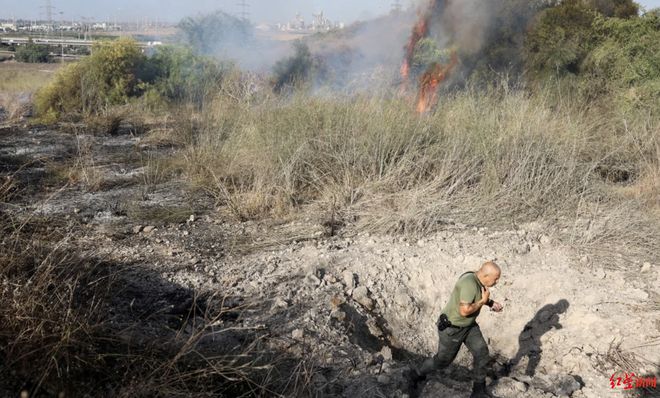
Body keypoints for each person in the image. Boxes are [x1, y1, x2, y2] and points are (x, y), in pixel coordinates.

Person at [408, 261, 503, 398]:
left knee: (482, 353)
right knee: (442, 361)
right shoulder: (468, 283)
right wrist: (483, 302)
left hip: (469, 326)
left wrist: (490, 303)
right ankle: (417, 374)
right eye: (496, 278)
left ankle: (478, 391)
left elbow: (477, 296)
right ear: (486, 276)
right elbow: (465, 311)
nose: (497, 281)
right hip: (453, 328)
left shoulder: (477, 279)